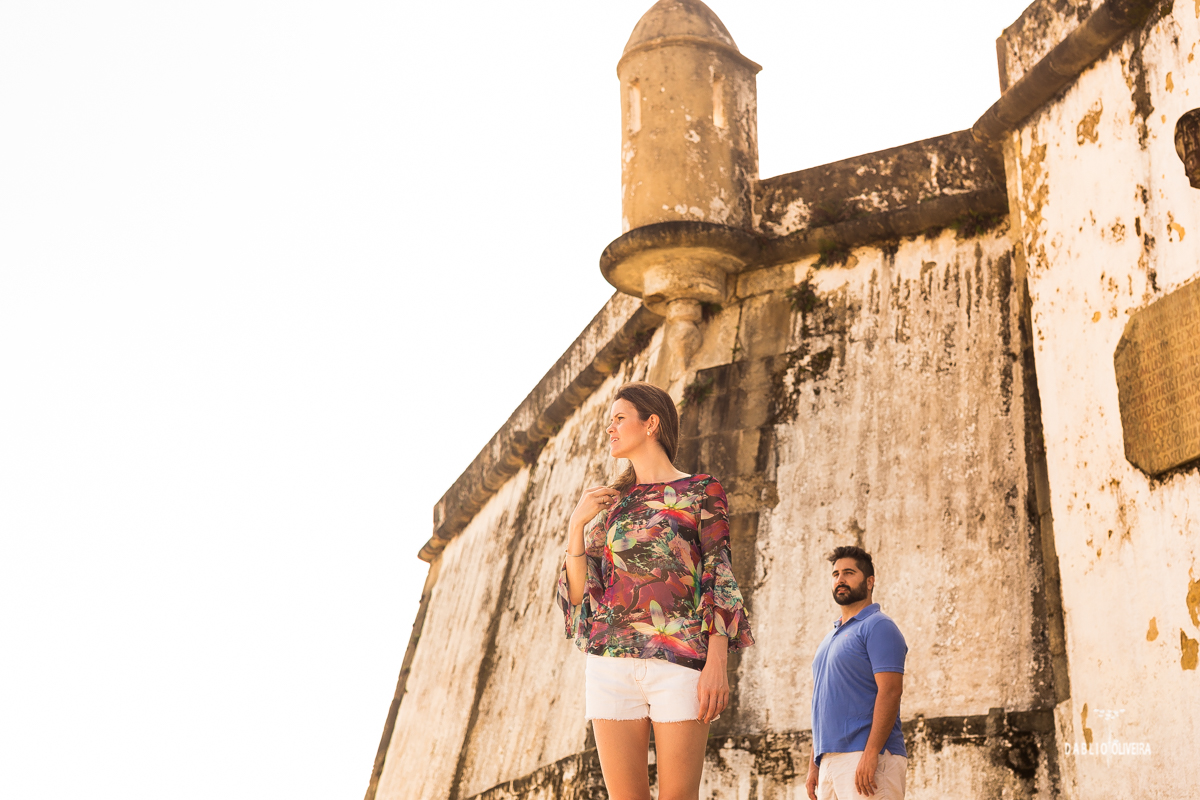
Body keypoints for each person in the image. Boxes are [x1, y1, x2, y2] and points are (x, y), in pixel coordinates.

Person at [558, 380, 754, 800]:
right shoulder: (612, 503)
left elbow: (718, 574)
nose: (610, 428)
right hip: (610, 663)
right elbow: (578, 595)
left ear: (651, 424)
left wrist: (717, 662)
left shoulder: (701, 490)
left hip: (680, 661)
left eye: (619, 418)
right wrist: (576, 525)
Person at [805, 546, 908, 800]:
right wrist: (815, 763)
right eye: (836, 574)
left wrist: (871, 753)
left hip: (867, 757)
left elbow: (891, 691)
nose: (840, 579)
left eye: (849, 573)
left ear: (869, 582)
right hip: (829, 761)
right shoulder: (829, 638)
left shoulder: (878, 626)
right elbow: (823, 703)